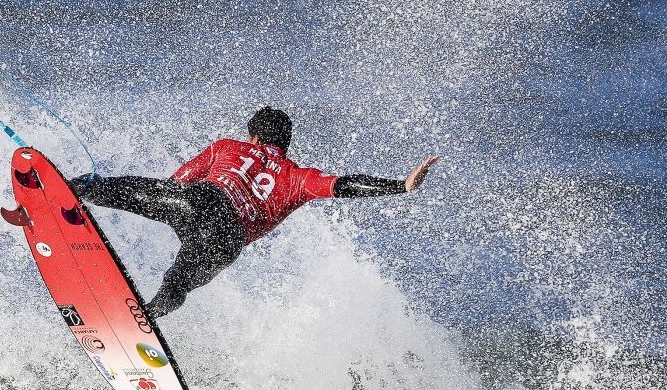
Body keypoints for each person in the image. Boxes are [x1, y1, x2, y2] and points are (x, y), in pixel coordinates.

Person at [70, 107, 438, 318]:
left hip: (203, 201)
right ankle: (147, 317)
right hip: (228, 242)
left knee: (132, 193)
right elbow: (343, 185)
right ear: (284, 143)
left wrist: (172, 209)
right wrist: (400, 186)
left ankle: (76, 188)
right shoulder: (299, 178)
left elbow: (175, 183)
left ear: (254, 138)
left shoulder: (227, 146)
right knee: (177, 284)